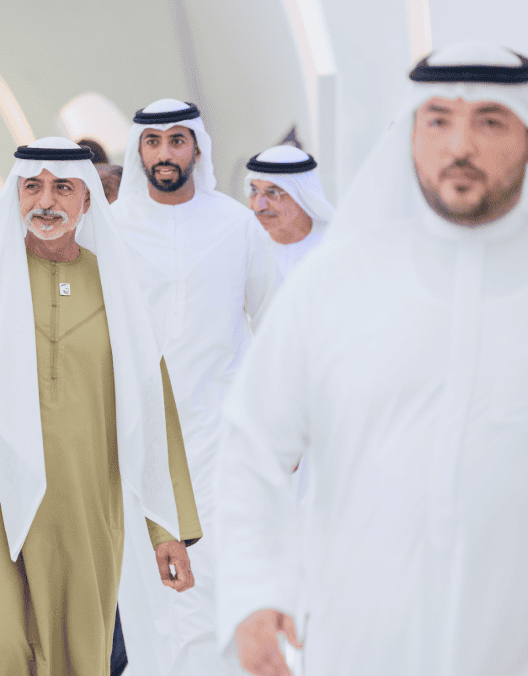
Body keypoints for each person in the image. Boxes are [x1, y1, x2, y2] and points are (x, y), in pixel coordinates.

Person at [218, 40, 528, 676]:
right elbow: (253, 443)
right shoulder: (337, 282)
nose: (459, 145)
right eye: (437, 120)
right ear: (412, 135)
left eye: (490, 121)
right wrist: (255, 592)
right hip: (363, 641)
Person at [0, 138, 202, 676]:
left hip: (86, 498)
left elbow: (155, 413)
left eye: (62, 187)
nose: (46, 201)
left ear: (87, 200)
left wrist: (168, 529)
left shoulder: (116, 285)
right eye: (32, 187)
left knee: (76, 657)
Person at [110, 99, 279, 675]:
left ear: (197, 149)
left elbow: (272, 321)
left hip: (217, 427)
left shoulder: (235, 223)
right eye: (153, 142)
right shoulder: (111, 227)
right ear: (139, 151)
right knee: (145, 583)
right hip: (135, 431)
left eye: (177, 140)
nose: (165, 153)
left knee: (213, 572)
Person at [246, 145, 335, 277]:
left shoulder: (332, 246)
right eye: (254, 191)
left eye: (272, 193)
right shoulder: (246, 247)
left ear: (303, 195)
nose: (258, 206)